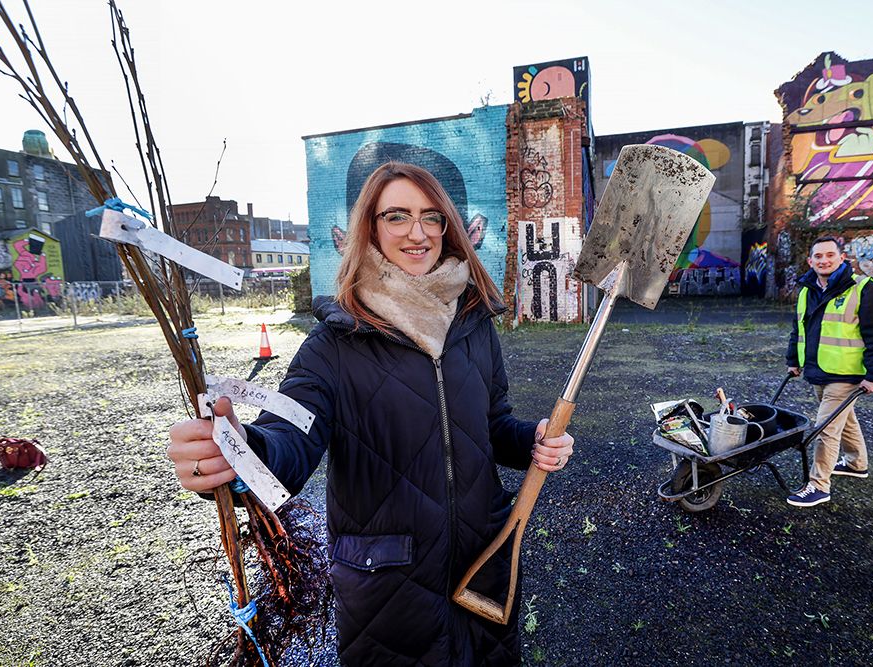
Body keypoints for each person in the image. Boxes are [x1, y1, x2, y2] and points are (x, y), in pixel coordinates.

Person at [167, 162, 574, 665]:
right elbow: (291, 440)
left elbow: (491, 425)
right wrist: (239, 453)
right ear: (371, 228)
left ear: (447, 227)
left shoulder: (472, 324)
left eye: (431, 217)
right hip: (390, 595)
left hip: (484, 568)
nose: (417, 232)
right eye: (397, 216)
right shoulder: (334, 343)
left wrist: (531, 439)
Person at [785, 236, 873, 508]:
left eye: (830, 255)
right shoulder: (807, 290)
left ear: (841, 258)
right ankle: (857, 464)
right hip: (818, 370)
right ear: (810, 261)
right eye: (818, 256)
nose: (824, 260)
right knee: (845, 419)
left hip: (847, 373)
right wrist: (793, 360)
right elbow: (799, 329)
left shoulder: (863, 289)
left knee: (825, 427)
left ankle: (819, 485)